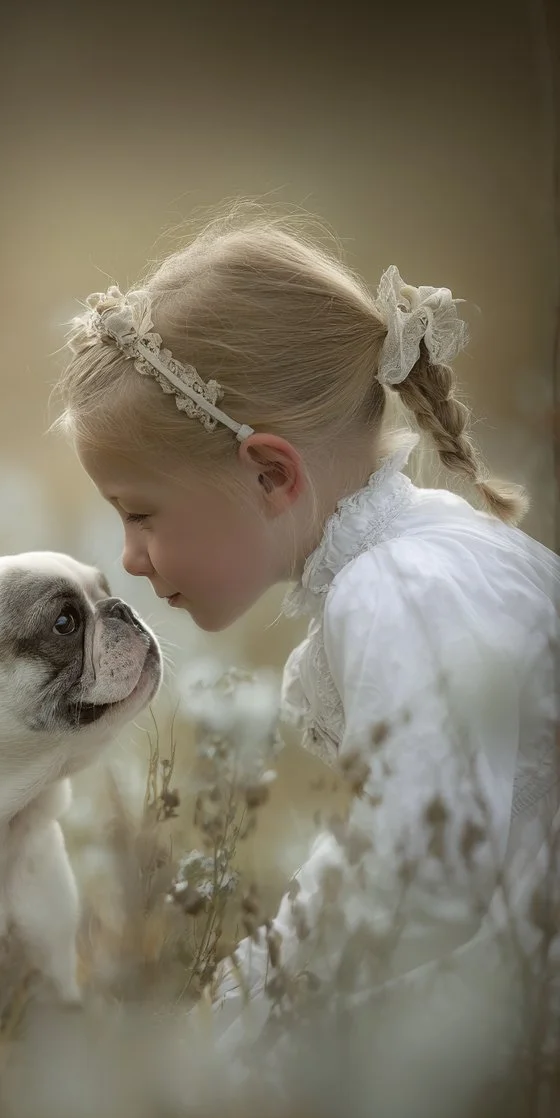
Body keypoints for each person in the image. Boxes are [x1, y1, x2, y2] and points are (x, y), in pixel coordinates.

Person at [52, 203, 559, 1072]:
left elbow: (428, 883)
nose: (130, 559)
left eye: (141, 514)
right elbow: (383, 851)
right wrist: (243, 1000)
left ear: (270, 474)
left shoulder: (397, 594)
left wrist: (255, 1044)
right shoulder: (418, 554)